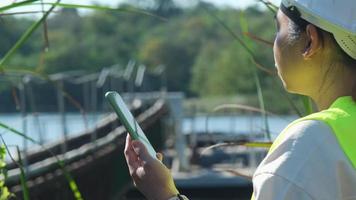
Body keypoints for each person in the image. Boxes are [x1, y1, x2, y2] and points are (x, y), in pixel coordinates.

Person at [124, 0, 356, 199]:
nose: (273, 44)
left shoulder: (309, 144)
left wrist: (163, 194)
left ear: (309, 41)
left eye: (278, 29)